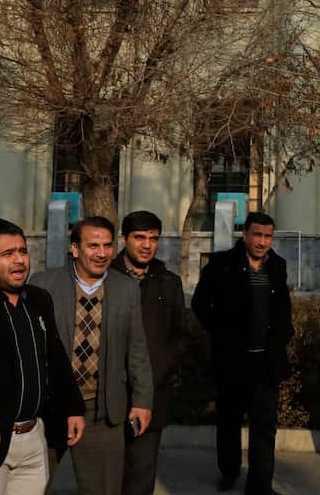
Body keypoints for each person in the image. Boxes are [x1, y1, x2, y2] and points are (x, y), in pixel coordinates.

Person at [34, 216, 153, 495]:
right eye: (93, 245)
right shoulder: (43, 286)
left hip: (101, 412)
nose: (102, 253)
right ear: (75, 249)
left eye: (108, 246)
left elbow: (137, 350)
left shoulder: (127, 289)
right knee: (30, 487)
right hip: (50, 409)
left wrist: (143, 400)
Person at [0, 218, 86, 495]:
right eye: (7, 254)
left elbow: (55, 358)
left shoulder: (39, 299)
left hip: (34, 437)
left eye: (22, 251)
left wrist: (73, 406)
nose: (19, 260)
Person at [192, 211, 293, 495]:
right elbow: (200, 304)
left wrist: (285, 334)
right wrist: (222, 333)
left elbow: (283, 307)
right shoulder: (221, 264)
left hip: (266, 362)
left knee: (265, 425)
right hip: (232, 360)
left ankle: (260, 484)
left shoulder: (278, 265)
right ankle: (229, 469)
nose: (262, 242)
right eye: (257, 235)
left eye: (268, 236)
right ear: (245, 235)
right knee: (229, 421)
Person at [117, 211, 195, 495]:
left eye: (153, 239)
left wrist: (161, 366)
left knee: (141, 474)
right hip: (107, 393)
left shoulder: (168, 282)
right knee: (105, 476)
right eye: (140, 237)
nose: (147, 245)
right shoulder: (106, 277)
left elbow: (181, 334)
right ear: (124, 239)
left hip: (151, 394)